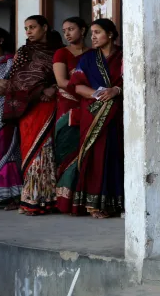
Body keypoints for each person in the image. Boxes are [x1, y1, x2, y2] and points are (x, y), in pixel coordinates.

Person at [64, 19, 124, 218]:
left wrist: (116, 90)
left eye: (98, 32)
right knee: (94, 155)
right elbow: (77, 86)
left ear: (110, 34)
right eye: (92, 34)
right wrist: (99, 95)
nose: (93, 37)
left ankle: (114, 203)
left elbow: (133, 80)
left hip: (117, 114)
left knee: (115, 154)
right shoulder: (88, 58)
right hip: (93, 113)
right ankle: (93, 205)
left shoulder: (125, 56)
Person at [3, 15, 62, 215]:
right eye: (26, 28)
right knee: (33, 150)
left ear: (44, 27)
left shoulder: (58, 50)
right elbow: (17, 81)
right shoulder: (24, 52)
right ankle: (32, 198)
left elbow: (67, 76)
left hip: (52, 104)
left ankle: (50, 198)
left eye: (32, 27)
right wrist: (41, 89)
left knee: (49, 149)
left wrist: (53, 88)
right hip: (29, 107)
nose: (28, 31)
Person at [53, 17, 89, 213]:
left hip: (89, 105)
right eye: (64, 30)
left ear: (82, 30)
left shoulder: (93, 53)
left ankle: (82, 200)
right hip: (68, 107)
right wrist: (87, 90)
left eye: (71, 29)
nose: (67, 33)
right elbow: (61, 81)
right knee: (67, 151)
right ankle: (65, 200)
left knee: (86, 151)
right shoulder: (61, 53)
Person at [0, 26, 21, 209]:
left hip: (3, 110)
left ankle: (6, 192)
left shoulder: (11, 61)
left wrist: (6, 87)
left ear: (0, 40)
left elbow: (19, 82)